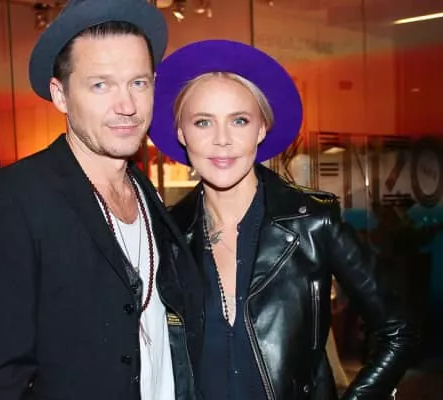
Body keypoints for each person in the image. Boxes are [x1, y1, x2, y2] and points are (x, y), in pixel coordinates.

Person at [0, 1, 203, 399]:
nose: (127, 106)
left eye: (138, 83)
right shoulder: (12, 199)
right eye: (100, 85)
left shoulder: (147, 195)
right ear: (60, 95)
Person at [149, 39, 417, 399]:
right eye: (203, 122)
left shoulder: (312, 223)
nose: (222, 140)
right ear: (182, 134)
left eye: (239, 120)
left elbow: (398, 329)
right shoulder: (166, 233)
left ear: (261, 129)